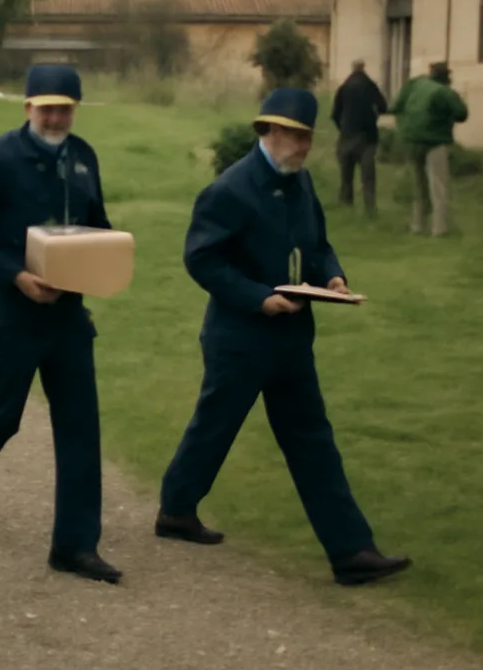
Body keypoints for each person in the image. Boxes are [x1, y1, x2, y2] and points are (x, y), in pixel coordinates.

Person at [155, 87, 411, 586]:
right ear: (268, 132)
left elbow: (317, 243)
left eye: (308, 137)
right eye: (293, 136)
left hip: (292, 338)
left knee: (313, 440)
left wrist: (332, 275)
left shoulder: (301, 183)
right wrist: (257, 297)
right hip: (239, 338)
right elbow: (202, 258)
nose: (302, 147)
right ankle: (176, 509)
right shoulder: (230, 190)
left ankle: (352, 552)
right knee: (215, 427)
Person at [0, 64, 121, 584]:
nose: (56, 117)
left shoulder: (83, 158)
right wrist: (15, 275)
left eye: (65, 108)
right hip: (12, 313)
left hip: (69, 315)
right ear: (27, 107)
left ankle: (75, 546)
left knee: (80, 424)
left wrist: (104, 259)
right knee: (4, 415)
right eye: (46, 107)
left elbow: (95, 225)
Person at [391, 60, 468, 236]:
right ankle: (439, 228)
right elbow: (462, 114)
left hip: (411, 140)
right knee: (438, 185)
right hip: (435, 141)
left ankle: (417, 225)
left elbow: (395, 107)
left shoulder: (414, 84)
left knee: (419, 184)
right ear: (446, 77)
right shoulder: (445, 92)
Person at [330, 59, 389, 214]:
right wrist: (373, 116)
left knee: (346, 175)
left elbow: (335, 114)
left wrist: (342, 128)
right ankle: (370, 208)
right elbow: (383, 107)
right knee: (368, 175)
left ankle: (346, 206)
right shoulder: (370, 86)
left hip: (347, 136)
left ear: (352, 69)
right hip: (367, 136)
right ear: (364, 69)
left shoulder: (343, 88)